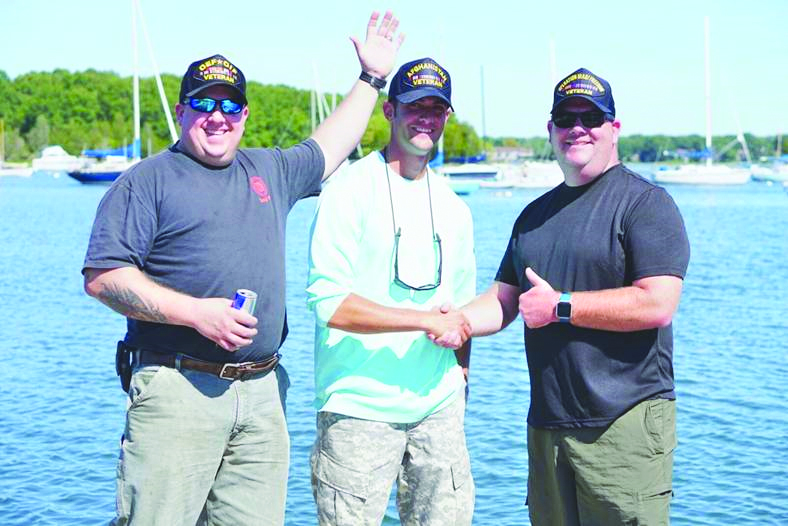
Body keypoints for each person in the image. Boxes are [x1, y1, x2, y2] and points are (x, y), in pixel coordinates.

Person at [81, 11, 404, 525]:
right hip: (176, 390)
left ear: (245, 114)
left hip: (261, 395)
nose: (217, 116)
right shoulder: (147, 181)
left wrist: (371, 78)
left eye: (229, 105)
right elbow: (104, 276)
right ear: (184, 112)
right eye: (203, 104)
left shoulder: (268, 170)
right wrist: (194, 314)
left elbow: (330, 144)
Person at [439, 67, 690, 525]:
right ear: (550, 131)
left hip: (624, 424)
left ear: (613, 130)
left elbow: (658, 303)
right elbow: (505, 301)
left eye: (591, 118)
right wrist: (454, 321)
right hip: (548, 428)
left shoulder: (646, 205)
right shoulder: (534, 216)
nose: (578, 128)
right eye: (566, 117)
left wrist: (562, 307)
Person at [305, 57, 476, 525]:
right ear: (388, 112)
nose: (426, 118)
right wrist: (422, 321)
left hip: (438, 411)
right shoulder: (346, 190)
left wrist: (460, 379)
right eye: (414, 106)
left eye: (436, 109)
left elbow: (459, 311)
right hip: (358, 409)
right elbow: (329, 303)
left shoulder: (455, 207)